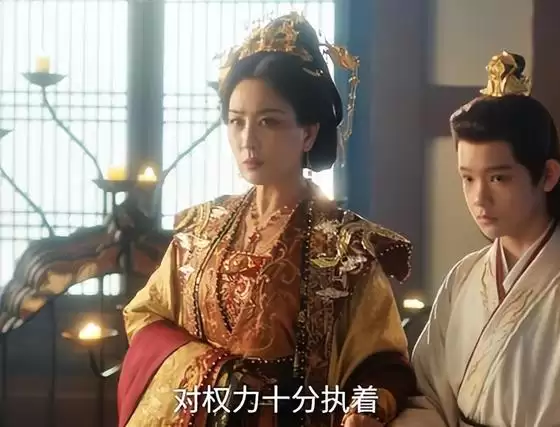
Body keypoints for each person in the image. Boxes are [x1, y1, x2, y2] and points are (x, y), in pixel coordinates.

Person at [116, 12, 417, 427]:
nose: (248, 140)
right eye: (236, 121)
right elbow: (146, 317)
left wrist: (369, 407)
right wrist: (214, 373)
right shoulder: (199, 230)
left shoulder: (346, 248)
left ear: (308, 133)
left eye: (269, 121)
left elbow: (383, 364)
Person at [391, 51, 560, 427]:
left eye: (498, 178)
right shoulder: (463, 278)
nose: (479, 198)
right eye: (468, 178)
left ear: (548, 175)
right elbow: (426, 395)